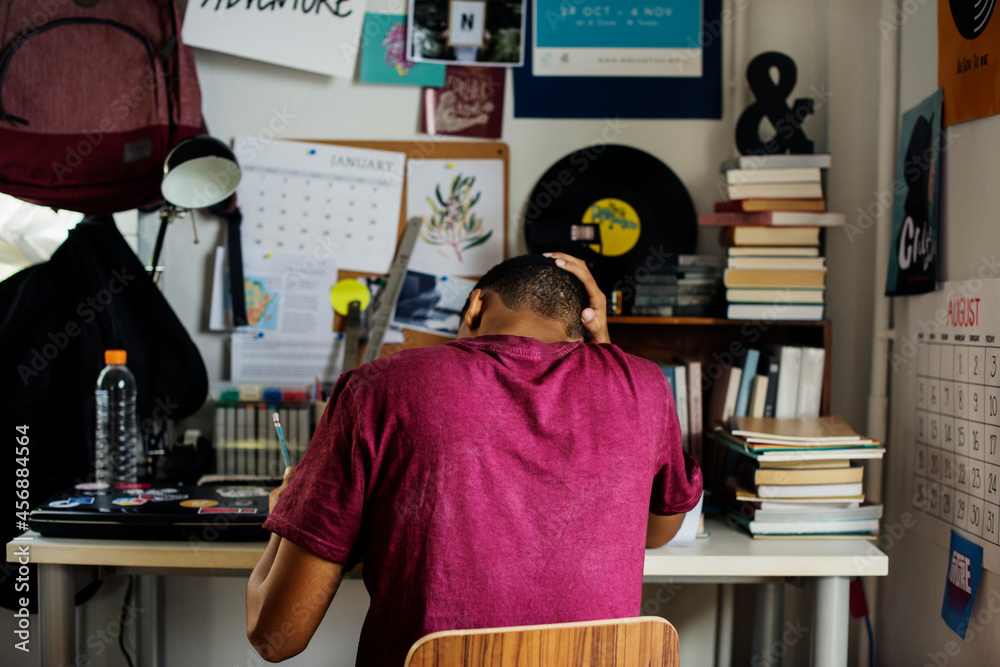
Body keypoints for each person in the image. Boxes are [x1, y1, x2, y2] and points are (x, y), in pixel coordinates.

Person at [246, 253, 703, 665]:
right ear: (584, 325)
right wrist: (607, 357)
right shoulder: (643, 384)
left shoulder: (378, 387)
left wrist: (287, 511)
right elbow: (658, 531)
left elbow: (275, 638)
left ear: (474, 307)